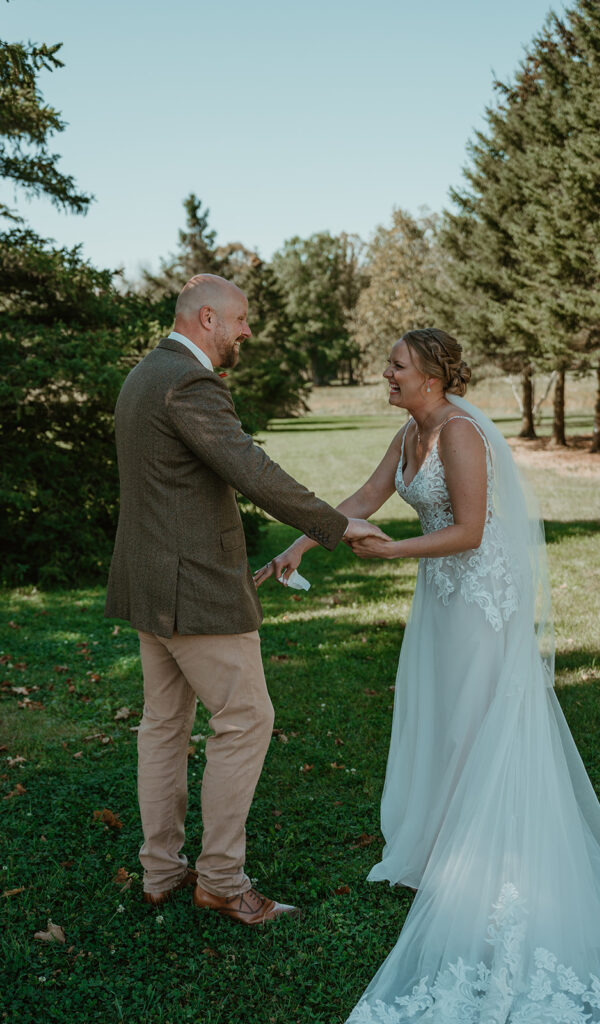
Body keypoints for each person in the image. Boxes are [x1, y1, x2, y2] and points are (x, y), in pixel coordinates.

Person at [255, 328, 600, 1019]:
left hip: (479, 602)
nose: (385, 373)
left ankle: (485, 866)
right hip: (441, 599)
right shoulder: (410, 432)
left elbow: (468, 530)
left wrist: (392, 552)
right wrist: (297, 544)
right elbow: (362, 500)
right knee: (442, 720)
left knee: (474, 723)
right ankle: (447, 850)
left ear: (432, 375)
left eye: (396, 365)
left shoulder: (461, 433)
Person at [104, 273, 385, 926]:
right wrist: (336, 525)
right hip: (194, 591)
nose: (247, 332)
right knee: (245, 720)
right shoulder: (189, 381)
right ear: (206, 318)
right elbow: (250, 469)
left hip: (148, 587)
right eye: (241, 321)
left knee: (164, 729)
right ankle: (222, 882)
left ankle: (160, 871)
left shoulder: (144, 373)